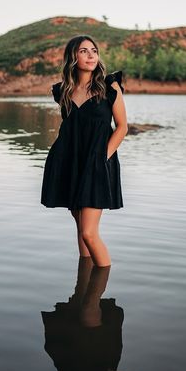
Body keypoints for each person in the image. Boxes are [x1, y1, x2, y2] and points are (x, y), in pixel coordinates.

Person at [41, 35, 128, 266]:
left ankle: (97, 292)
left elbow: (122, 127)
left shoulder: (109, 86)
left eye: (94, 50)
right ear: (73, 57)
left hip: (98, 163)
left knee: (89, 232)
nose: (91, 55)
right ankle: (84, 283)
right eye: (84, 51)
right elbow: (71, 130)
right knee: (80, 229)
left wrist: (101, 158)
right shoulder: (64, 91)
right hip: (68, 162)